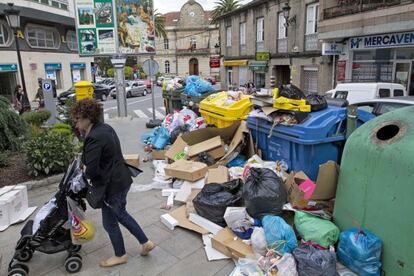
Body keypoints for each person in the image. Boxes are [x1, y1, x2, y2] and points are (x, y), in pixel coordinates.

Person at [71, 99, 155, 268]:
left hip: (111, 185)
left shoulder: (94, 137)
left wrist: (84, 171)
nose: (77, 122)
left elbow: (92, 170)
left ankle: (124, 253)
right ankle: (143, 243)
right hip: (120, 179)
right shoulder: (105, 128)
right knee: (116, 216)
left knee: (116, 218)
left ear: (88, 118)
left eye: (79, 119)